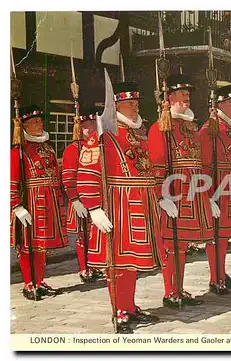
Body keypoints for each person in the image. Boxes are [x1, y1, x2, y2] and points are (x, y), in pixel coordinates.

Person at [77, 81, 163, 333]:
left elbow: (148, 169)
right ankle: (119, 310)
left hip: (141, 204)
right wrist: (93, 207)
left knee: (131, 261)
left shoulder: (139, 134)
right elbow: (87, 171)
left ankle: (130, 305)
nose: (134, 108)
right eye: (128, 104)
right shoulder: (103, 135)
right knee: (116, 262)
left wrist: (159, 196)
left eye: (136, 104)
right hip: (117, 204)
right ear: (116, 106)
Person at [148, 73, 212, 307]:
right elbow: (156, 164)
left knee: (182, 245)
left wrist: (207, 195)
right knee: (170, 245)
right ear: (170, 97)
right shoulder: (160, 128)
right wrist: (162, 196)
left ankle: (180, 289)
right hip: (173, 191)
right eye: (182, 95)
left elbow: (199, 162)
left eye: (188, 95)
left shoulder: (190, 127)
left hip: (192, 192)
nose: (186, 99)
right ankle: (170, 292)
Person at [10, 105, 69, 300]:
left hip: (49, 200)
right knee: (28, 245)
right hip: (30, 202)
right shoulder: (18, 151)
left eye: (40, 120)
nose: (39, 124)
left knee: (41, 246)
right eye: (34, 122)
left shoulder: (48, 147)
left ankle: (40, 280)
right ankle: (29, 283)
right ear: (24, 126)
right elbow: (10, 180)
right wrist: (16, 206)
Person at [198, 84, 231, 294]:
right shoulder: (211, 127)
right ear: (218, 105)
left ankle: (221, 273)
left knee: (225, 236)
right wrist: (208, 196)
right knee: (216, 236)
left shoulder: (228, 128)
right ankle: (215, 278)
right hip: (218, 188)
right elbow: (203, 163)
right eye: (230, 103)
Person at [62, 106, 105, 283]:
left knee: (95, 234)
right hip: (80, 199)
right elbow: (69, 177)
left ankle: (94, 265)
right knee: (83, 235)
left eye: (94, 125)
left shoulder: (100, 146)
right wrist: (75, 199)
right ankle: (84, 268)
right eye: (87, 126)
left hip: (97, 198)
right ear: (80, 128)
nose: (92, 129)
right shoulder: (73, 149)